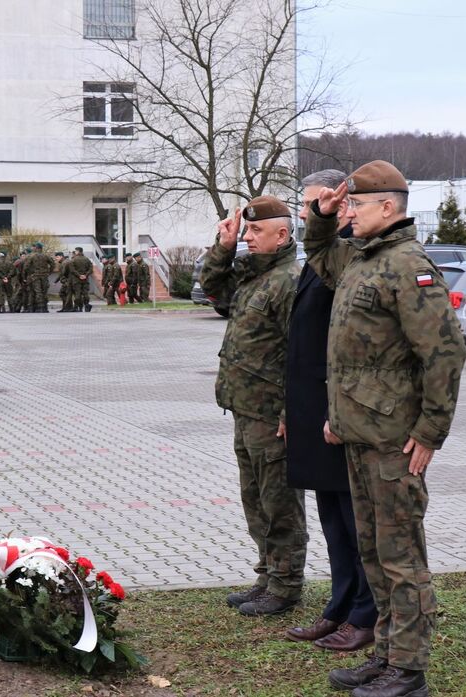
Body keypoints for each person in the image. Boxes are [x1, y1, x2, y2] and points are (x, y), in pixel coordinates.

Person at [306, 161, 466, 697]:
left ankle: (410, 671)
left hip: (396, 440)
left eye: (356, 204)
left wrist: (430, 432)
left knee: (402, 559)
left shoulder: (408, 265)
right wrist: (321, 217)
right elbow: (323, 260)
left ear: (388, 208)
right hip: (361, 433)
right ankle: (386, 654)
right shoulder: (362, 258)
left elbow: (445, 353)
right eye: (346, 205)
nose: (348, 210)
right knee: (374, 553)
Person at [282, 170, 377, 652]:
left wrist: (334, 410)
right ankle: (340, 606)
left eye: (308, 203)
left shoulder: (352, 256)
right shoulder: (326, 252)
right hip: (312, 406)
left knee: (354, 519)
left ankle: (365, 613)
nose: (302, 213)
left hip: (337, 409)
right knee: (333, 518)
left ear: (338, 202)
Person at [200, 196, 307, 617]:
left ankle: (286, 583)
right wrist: (223, 249)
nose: (247, 237)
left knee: (279, 501)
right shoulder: (254, 276)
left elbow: (300, 355)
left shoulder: (288, 281)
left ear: (282, 235)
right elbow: (214, 289)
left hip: (271, 413)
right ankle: (266, 575)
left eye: (254, 231)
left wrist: (290, 413)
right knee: (255, 498)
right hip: (244, 407)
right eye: (245, 231)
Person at [26, 242, 55, 312]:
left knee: (38, 291)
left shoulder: (32, 256)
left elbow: (26, 266)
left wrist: (31, 273)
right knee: (44, 291)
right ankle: (45, 307)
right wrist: (49, 272)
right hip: (44, 276)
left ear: (36, 248)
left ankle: (40, 307)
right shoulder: (46, 256)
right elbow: (53, 264)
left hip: (35, 276)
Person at [68, 247, 93, 312]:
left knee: (77, 293)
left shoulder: (73, 260)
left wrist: (79, 275)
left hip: (76, 280)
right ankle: (87, 305)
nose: (75, 252)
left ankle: (76, 307)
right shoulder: (87, 259)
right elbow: (90, 269)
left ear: (78, 251)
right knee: (85, 293)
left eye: (75, 251)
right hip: (85, 279)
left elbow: (72, 270)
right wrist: (85, 275)